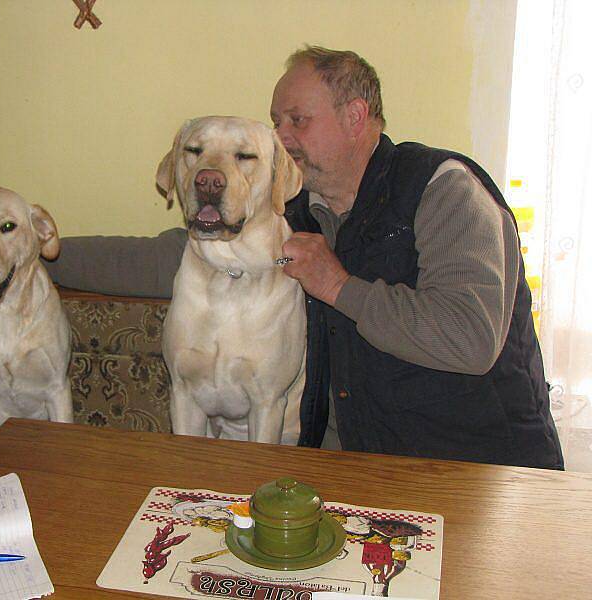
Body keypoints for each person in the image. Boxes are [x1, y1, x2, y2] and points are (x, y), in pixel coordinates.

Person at [46, 46, 564, 470]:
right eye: (276, 121)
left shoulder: (445, 190)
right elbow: (162, 259)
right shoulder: (290, 207)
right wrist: (34, 249)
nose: (280, 137)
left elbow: (470, 339)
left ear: (355, 117)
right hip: (352, 470)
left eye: (297, 120)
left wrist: (339, 286)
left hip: (484, 472)